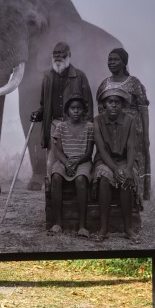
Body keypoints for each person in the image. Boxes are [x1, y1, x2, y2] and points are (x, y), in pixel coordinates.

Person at [30, 42, 93, 177]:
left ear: (69, 55)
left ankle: (77, 193)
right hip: (54, 125)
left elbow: (88, 106)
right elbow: (44, 105)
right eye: (55, 54)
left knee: (75, 161)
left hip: (76, 127)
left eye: (61, 53)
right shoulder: (47, 76)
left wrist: (88, 130)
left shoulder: (80, 76)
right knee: (52, 163)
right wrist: (38, 114)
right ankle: (53, 194)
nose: (58, 56)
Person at [96, 47, 150, 203]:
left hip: (134, 130)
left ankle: (135, 200)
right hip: (112, 132)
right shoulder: (104, 84)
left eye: (115, 59)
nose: (111, 62)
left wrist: (145, 135)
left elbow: (143, 109)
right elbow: (101, 110)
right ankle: (114, 197)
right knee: (114, 161)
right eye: (109, 59)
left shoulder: (134, 83)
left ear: (124, 62)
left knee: (133, 162)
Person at [93, 87, 140, 244]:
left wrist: (127, 169)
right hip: (105, 160)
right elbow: (101, 149)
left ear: (122, 105)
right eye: (110, 102)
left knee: (126, 179)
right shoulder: (97, 121)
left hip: (125, 160)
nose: (113, 105)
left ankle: (128, 229)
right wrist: (114, 168)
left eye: (117, 102)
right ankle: (103, 229)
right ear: (105, 104)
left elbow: (132, 147)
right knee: (105, 179)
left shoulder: (129, 120)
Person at [48, 94, 95, 238]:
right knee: (56, 177)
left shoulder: (89, 127)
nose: (76, 111)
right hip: (64, 160)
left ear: (84, 111)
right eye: (73, 108)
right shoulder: (61, 126)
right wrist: (67, 162)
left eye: (79, 108)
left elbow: (88, 153)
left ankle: (82, 226)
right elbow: (58, 151)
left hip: (82, 161)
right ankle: (58, 223)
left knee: (81, 179)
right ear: (67, 111)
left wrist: (77, 162)